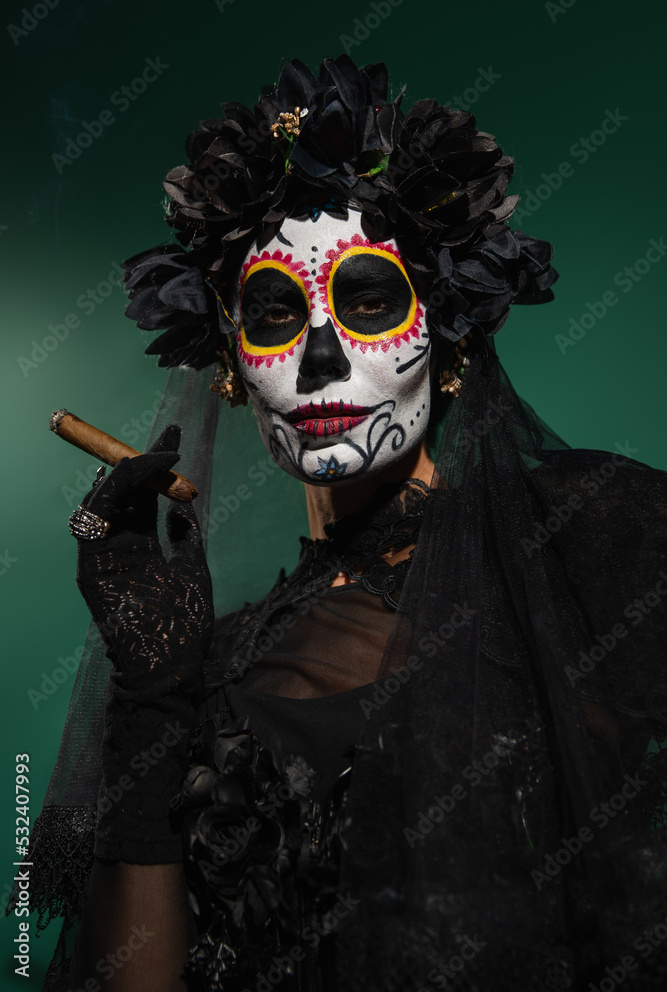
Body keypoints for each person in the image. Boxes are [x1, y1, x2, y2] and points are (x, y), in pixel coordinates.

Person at [16, 56, 667, 992]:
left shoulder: (591, 541)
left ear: (445, 345)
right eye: (275, 314)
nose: (320, 356)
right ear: (236, 368)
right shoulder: (224, 662)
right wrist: (152, 693)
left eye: (366, 301)